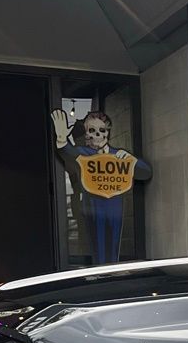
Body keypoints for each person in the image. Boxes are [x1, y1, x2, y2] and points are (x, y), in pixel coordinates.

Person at [51, 108, 151, 265]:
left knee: (113, 249)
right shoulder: (83, 153)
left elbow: (145, 172)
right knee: (98, 250)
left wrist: (132, 160)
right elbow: (67, 151)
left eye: (102, 130)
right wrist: (62, 138)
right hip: (92, 209)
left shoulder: (119, 155)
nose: (97, 135)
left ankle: (111, 276)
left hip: (114, 209)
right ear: (86, 133)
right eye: (92, 130)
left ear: (107, 133)